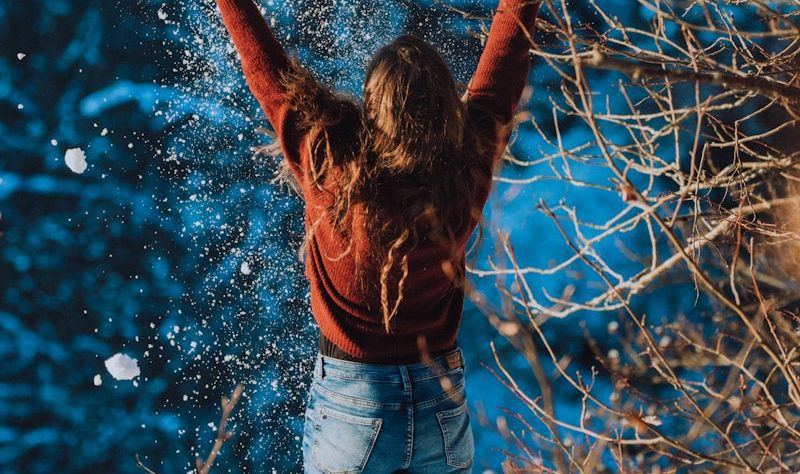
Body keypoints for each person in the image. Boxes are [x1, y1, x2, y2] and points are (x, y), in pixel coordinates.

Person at [213, 0, 539, 471]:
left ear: (373, 105)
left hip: (354, 406)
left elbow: (267, 72)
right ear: (447, 108)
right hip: (440, 405)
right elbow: (502, 75)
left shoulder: (332, 169)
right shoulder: (464, 171)